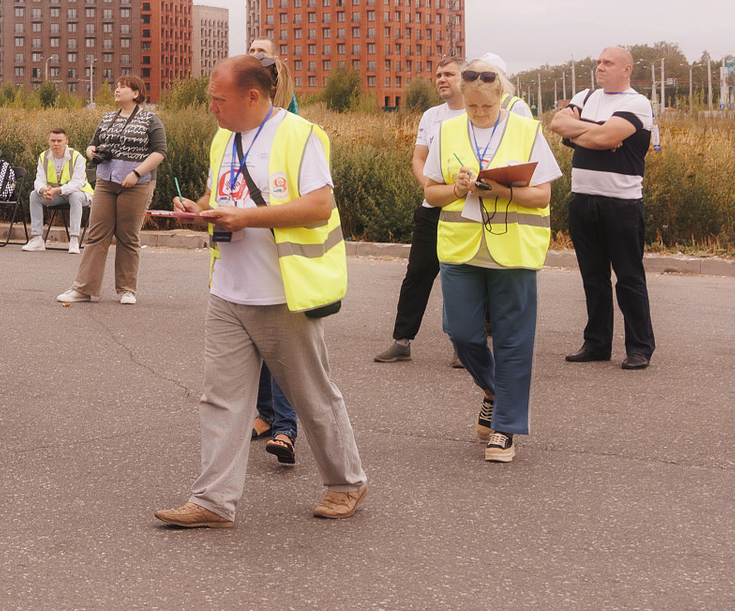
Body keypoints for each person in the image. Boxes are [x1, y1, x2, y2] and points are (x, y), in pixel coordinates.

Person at [156, 56, 368, 528]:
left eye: (218, 99)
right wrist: (198, 208)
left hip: (282, 294)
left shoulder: (301, 135)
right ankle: (213, 501)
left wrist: (246, 218)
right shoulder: (222, 138)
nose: (211, 107)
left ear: (253, 96)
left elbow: (320, 205)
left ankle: (346, 483)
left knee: (312, 396)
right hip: (228, 291)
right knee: (221, 399)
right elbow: (221, 197)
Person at [422, 56, 561, 463]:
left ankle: (505, 428)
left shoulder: (526, 130)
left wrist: (502, 191)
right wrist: (456, 188)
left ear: (502, 96)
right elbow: (431, 192)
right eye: (472, 106)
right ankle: (495, 392)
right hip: (461, 249)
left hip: (513, 251)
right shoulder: (447, 131)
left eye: (487, 105)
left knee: (513, 340)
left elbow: (543, 195)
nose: (480, 112)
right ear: (462, 98)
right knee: (461, 332)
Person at [550, 46, 657, 369]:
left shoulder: (636, 103)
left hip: (621, 204)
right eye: (598, 62)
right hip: (582, 199)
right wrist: (593, 134)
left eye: (608, 63)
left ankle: (639, 347)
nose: (600, 67)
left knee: (629, 278)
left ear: (626, 69)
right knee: (592, 277)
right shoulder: (585, 96)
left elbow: (606, 138)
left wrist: (579, 135)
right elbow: (557, 124)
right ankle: (597, 343)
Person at [374, 56, 465, 363]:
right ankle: (402, 341)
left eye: (449, 74)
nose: (442, 79)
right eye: (438, 74)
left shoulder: (476, 114)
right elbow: (418, 158)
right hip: (433, 208)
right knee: (417, 274)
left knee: (462, 278)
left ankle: (463, 348)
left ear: (465, 78)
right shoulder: (431, 116)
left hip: (466, 211)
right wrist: (432, 187)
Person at [58, 77, 167, 304]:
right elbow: (93, 143)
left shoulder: (151, 119)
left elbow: (159, 152)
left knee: (128, 235)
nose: (117, 90)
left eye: (123, 87)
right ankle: (84, 289)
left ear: (136, 93)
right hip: (106, 181)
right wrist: (91, 150)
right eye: (116, 86)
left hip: (137, 184)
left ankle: (127, 289)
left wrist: (136, 173)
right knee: (97, 233)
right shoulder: (107, 118)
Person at [22, 128, 88, 253]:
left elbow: (78, 184)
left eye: (59, 141)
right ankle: (37, 239)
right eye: (53, 141)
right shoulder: (43, 157)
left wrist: (57, 190)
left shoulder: (77, 157)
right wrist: (44, 191)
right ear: (48, 142)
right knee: (34, 195)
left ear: (66, 142)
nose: (56, 144)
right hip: (56, 195)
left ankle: (74, 240)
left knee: (75, 196)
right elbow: (39, 180)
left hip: (80, 194)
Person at [248, 38, 298, 112]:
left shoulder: (283, 89)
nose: (255, 54)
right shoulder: (242, 83)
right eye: (252, 51)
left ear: (275, 59)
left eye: (261, 51)